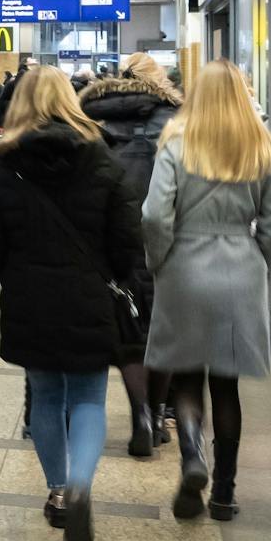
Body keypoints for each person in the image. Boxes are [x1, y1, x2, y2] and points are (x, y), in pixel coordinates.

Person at [0, 68, 143, 541]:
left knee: (45, 395)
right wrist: (116, 278)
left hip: (31, 294)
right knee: (88, 396)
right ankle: (83, 484)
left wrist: (18, 273)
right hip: (89, 293)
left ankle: (60, 490)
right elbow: (128, 239)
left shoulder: (1, 166)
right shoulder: (103, 159)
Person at [144, 61, 271, 524]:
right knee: (227, 385)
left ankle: (192, 458)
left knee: (187, 376)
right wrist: (257, 261)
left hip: (184, 265)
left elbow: (153, 215)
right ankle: (224, 494)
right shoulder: (261, 146)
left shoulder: (175, 143)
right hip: (240, 269)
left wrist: (159, 261)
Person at [79, 53, 182, 454]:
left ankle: (140, 412)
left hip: (111, 237)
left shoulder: (92, 118)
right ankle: (157, 415)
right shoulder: (178, 119)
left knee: (128, 329)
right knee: (165, 330)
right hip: (169, 236)